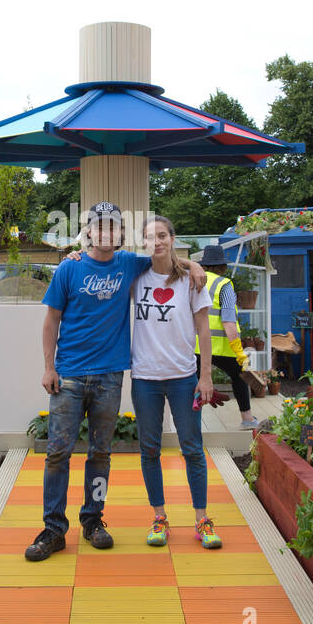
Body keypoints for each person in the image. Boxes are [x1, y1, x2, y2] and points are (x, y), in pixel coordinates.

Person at [27, 202, 207, 562]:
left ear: (120, 234)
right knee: (57, 453)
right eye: (99, 226)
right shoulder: (69, 269)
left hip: (110, 376)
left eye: (113, 227)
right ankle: (53, 529)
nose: (106, 233)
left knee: (100, 454)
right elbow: (50, 323)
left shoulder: (130, 264)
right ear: (89, 232)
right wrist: (48, 367)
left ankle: (93, 521)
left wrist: (194, 263)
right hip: (69, 376)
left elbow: (166, 259)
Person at [129, 215, 222, 549]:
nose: (157, 242)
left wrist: (206, 375)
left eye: (163, 235)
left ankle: (202, 519)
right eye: (151, 237)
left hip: (184, 378)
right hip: (145, 379)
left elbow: (204, 329)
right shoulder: (135, 277)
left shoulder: (191, 280)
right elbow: (104, 266)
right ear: (142, 243)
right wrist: (75, 255)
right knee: (149, 449)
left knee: (192, 448)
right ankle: (159, 517)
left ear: (172, 238)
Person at [195, 243, 260, 428]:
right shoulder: (224, 285)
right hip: (222, 346)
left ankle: (193, 426)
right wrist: (239, 352)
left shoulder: (193, 280)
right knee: (239, 376)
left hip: (195, 345)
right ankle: (247, 419)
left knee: (194, 385)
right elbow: (229, 322)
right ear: (222, 266)